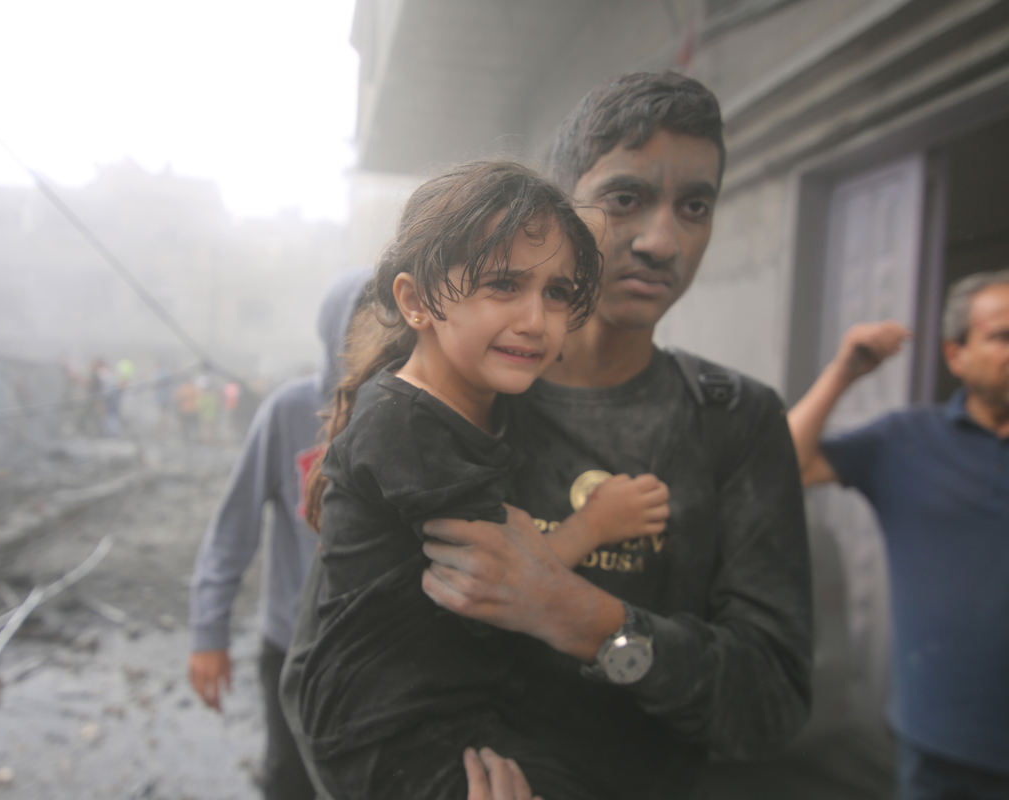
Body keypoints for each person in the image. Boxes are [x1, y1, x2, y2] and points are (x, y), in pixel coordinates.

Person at [417, 72, 814, 799]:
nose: (663, 241)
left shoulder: (737, 421)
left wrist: (586, 618)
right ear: (559, 210)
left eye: (695, 206)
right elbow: (334, 667)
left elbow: (770, 701)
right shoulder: (448, 402)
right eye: (627, 199)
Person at [282, 161, 671, 800]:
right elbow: (498, 579)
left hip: (432, 704)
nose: (535, 319)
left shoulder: (471, 403)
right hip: (386, 729)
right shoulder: (408, 426)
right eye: (503, 285)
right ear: (416, 302)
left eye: (557, 293)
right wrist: (596, 524)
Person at [787, 269, 1009, 800]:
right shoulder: (907, 442)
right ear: (956, 355)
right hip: (940, 748)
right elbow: (783, 467)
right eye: (1002, 336)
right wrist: (843, 373)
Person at [187, 267, 369, 800]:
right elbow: (233, 527)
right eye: (362, 320)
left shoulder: (408, 418)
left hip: (377, 653)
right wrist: (208, 631)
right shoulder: (289, 411)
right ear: (334, 329)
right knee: (290, 780)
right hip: (293, 647)